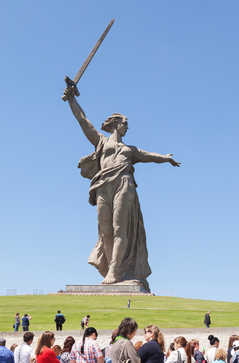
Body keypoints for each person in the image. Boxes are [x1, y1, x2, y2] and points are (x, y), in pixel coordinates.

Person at [64, 89, 180, 292]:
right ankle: (111, 267)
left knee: (120, 229)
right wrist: (71, 99)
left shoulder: (130, 150)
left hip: (124, 185)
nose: (127, 127)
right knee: (105, 231)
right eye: (125, 123)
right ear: (116, 124)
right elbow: (83, 121)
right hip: (103, 186)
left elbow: (150, 155)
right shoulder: (101, 141)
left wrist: (166, 157)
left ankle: (114, 272)